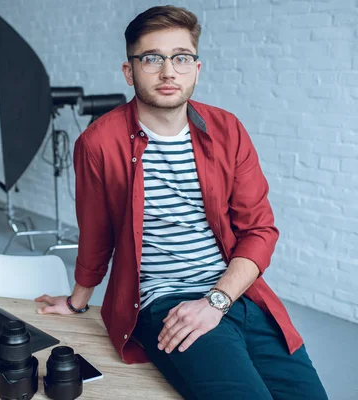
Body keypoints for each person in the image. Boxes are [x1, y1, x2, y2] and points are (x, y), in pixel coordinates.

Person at [35, 5, 328, 400]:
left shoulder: (228, 131)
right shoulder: (99, 143)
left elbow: (259, 230)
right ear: (129, 70)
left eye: (180, 58)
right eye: (152, 58)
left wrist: (217, 300)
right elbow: (96, 235)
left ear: (196, 68)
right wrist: (77, 302)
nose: (168, 71)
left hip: (236, 291)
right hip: (163, 301)